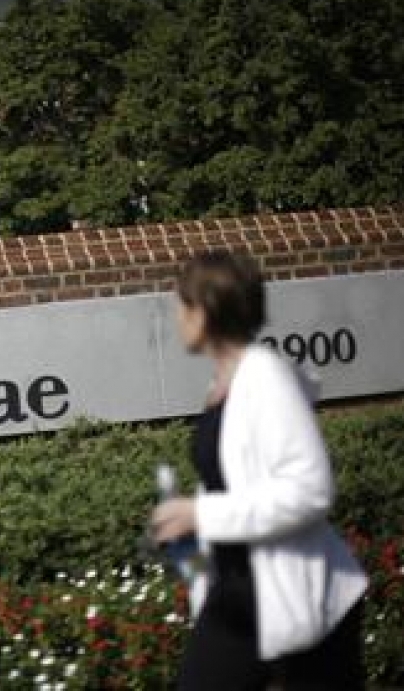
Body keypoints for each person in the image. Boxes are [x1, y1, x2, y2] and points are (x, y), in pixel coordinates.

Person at [151, 250, 368, 691]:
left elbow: (310, 490)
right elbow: (233, 485)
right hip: (235, 595)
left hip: (302, 601)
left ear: (205, 310)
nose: (177, 318)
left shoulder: (265, 379)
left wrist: (200, 514)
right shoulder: (222, 385)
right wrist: (189, 530)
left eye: (182, 305)